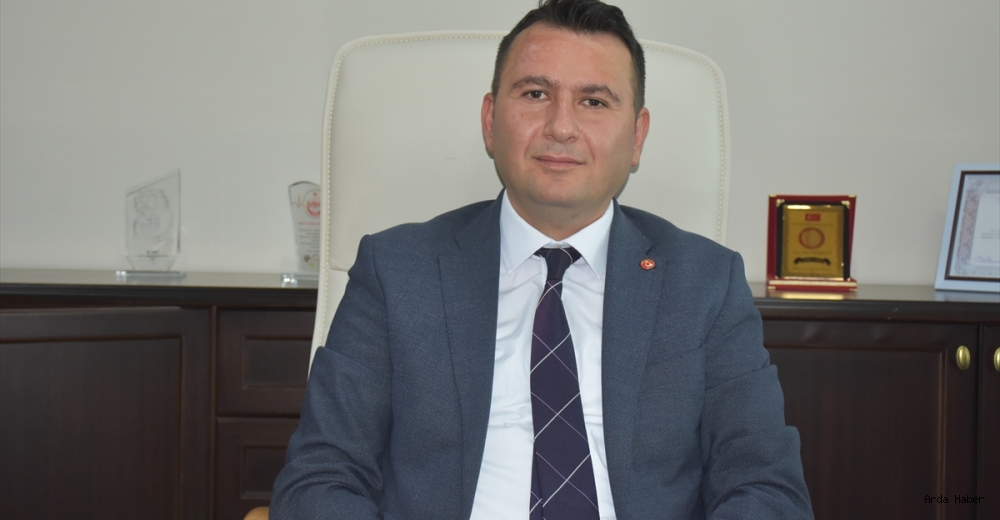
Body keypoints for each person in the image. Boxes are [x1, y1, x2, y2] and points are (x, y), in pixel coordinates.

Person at [272, 0, 813, 518]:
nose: (561, 126)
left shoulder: (705, 284)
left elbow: (765, 485)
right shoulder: (397, 272)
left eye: (594, 101)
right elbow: (319, 477)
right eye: (535, 94)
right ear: (490, 120)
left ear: (637, 136)